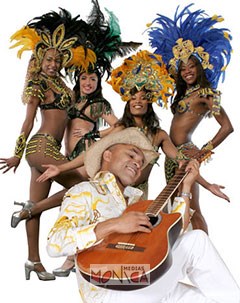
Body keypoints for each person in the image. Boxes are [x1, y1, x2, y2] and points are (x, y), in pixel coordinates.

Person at [1, 2, 141, 279]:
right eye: (48, 60)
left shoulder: (64, 86)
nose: (53, 65)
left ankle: (33, 260)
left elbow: (88, 99)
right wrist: (16, 153)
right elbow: (28, 122)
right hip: (40, 146)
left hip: (49, 150)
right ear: (39, 58)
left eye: (57, 60)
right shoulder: (36, 85)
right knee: (83, 189)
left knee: (41, 201)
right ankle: (32, 210)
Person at [46, 127, 240, 303]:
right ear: (107, 154)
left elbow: (176, 230)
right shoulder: (85, 191)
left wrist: (186, 187)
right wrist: (114, 224)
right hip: (108, 288)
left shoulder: (137, 203)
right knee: (197, 241)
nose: (137, 164)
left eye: (140, 163)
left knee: (210, 298)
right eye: (131, 155)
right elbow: (55, 244)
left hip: (144, 276)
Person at [147, 4, 234, 233]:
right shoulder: (185, 93)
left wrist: (203, 151)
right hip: (171, 155)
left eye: (192, 66)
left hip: (186, 151)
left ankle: (204, 249)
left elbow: (227, 127)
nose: (187, 71)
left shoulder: (207, 94)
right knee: (176, 207)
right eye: (183, 68)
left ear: (200, 68)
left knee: (192, 206)